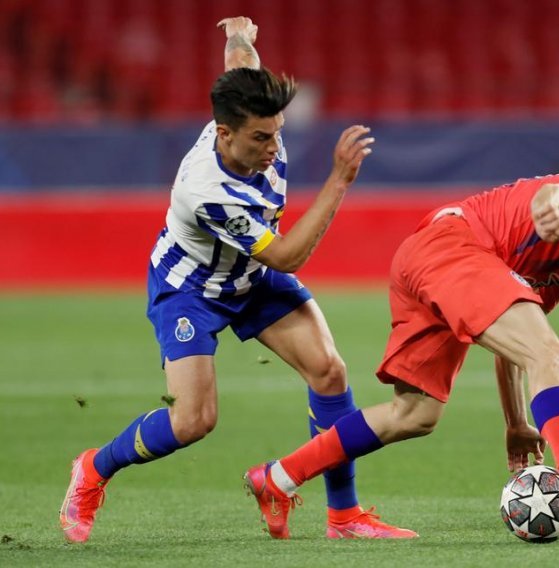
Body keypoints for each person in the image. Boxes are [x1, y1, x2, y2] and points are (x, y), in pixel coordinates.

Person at [59, 17, 416, 543]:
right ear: (224, 134)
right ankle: (92, 469)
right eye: (259, 138)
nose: (272, 147)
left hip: (248, 276)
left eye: (277, 132)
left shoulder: (250, 118)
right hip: (191, 289)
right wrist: (339, 179)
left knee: (330, 373)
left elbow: (241, 62)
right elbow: (289, 256)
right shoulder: (210, 190)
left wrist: (238, 34)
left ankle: (344, 516)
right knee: (193, 420)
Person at [242, 173, 559, 536]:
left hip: (425, 257)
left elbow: (520, 339)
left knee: (414, 413)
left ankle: (278, 478)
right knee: (553, 354)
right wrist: (548, 208)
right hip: (455, 247)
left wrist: (516, 422)